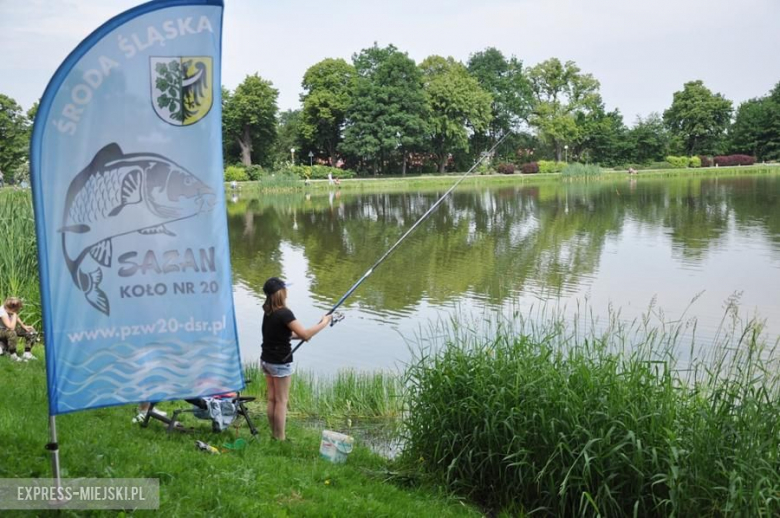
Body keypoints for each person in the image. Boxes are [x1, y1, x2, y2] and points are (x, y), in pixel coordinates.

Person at [261, 277, 331, 441]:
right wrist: (324, 323)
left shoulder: (268, 310)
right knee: (282, 401)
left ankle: (274, 434)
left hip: (267, 360)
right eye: (285, 289)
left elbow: (283, 334)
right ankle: (280, 438)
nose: (287, 292)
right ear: (281, 293)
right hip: (280, 361)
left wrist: (302, 335)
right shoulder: (285, 313)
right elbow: (305, 335)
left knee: (272, 399)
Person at [0, 297, 38, 362]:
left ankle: (27, 353)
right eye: (17, 309)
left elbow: (16, 317)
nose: (18, 310)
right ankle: (13, 355)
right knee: (12, 333)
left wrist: (24, 326)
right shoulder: (2, 311)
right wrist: (14, 314)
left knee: (31, 331)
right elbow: (11, 327)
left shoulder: (11, 309)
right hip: (1, 330)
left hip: (7, 329)